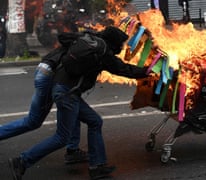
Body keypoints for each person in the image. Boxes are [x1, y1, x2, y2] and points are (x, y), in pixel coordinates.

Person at [8, 26, 149, 180]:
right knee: (61, 137)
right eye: (121, 44)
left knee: (95, 121)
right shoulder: (103, 52)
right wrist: (146, 72)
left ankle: (97, 166)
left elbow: (63, 37)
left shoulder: (89, 40)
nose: (122, 48)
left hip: (63, 88)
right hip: (67, 93)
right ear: (113, 42)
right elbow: (123, 69)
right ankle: (22, 161)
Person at [0, 46, 88, 164]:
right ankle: (22, 161)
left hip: (44, 69)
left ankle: (72, 149)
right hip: (51, 77)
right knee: (34, 121)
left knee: (72, 110)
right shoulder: (90, 48)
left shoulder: (78, 42)